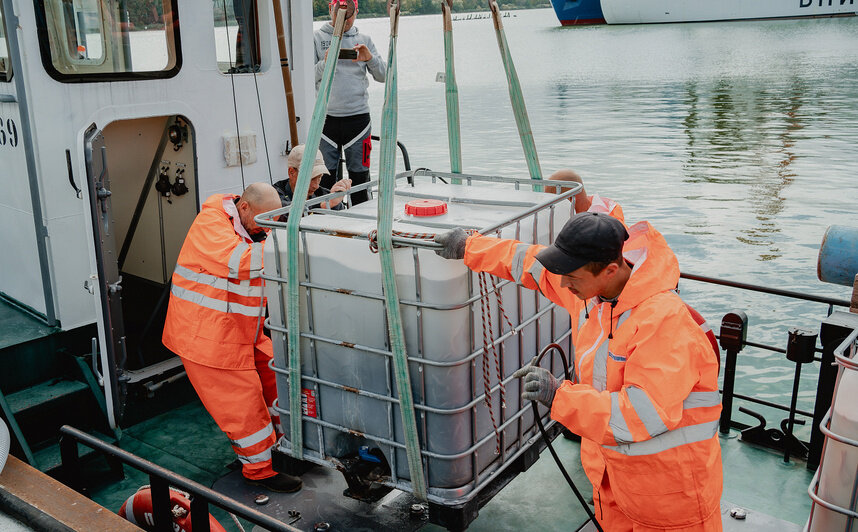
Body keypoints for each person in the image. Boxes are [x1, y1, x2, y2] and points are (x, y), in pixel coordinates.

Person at [434, 212, 723, 531]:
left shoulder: (665, 324)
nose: (562, 284)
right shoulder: (594, 294)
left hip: (671, 502)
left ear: (610, 270)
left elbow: (639, 416)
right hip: (614, 483)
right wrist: (470, 247)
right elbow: (529, 263)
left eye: (571, 277)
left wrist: (558, 395)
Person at [162, 182, 303, 493]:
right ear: (244, 208)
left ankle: (286, 445)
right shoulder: (210, 223)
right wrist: (295, 243)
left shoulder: (252, 227)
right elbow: (240, 261)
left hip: (243, 329)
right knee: (244, 403)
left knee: (277, 374)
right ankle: (261, 470)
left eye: (274, 220)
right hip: (207, 337)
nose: (269, 227)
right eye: (265, 220)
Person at [313, 0, 386, 205]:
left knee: (359, 178)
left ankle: (360, 226)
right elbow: (306, 76)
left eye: (350, 13)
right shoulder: (317, 38)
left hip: (358, 121)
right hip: (327, 121)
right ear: (331, 10)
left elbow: (384, 75)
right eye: (339, 11)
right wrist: (324, 63)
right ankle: (328, 224)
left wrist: (369, 57)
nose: (344, 18)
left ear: (356, 13)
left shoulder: (364, 39)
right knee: (325, 180)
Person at [273, 144, 352, 217]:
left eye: (320, 177)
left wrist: (336, 197)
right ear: (291, 172)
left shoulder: (324, 194)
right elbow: (282, 208)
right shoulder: (274, 195)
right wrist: (323, 205)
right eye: (311, 179)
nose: (316, 186)